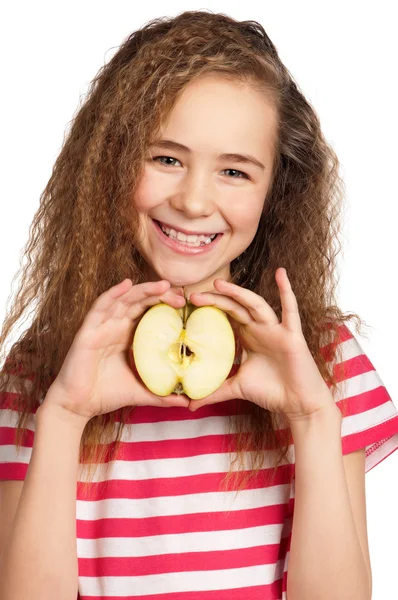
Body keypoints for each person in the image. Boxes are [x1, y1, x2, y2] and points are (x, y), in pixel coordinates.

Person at [0, 10, 396, 600]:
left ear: (274, 194)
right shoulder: (42, 370)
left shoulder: (322, 361)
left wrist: (313, 420)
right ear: (110, 162)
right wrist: (64, 416)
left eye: (234, 171)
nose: (192, 200)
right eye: (166, 159)